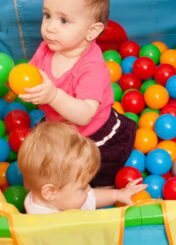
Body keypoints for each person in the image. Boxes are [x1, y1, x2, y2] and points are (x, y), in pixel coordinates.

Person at [19, 0, 136, 187]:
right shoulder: (45, 49)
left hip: (92, 137)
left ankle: (105, 191)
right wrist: (16, 82)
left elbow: (84, 115)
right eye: (47, 15)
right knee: (47, 165)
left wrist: (53, 96)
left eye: (64, 21)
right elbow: (29, 77)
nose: (49, 28)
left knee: (94, 177)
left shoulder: (91, 67)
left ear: (92, 31)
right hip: (58, 130)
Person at [18, 122, 147, 214]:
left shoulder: (63, 197)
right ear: (50, 192)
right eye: (81, 187)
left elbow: (90, 198)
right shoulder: (41, 224)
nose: (89, 189)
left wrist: (117, 194)